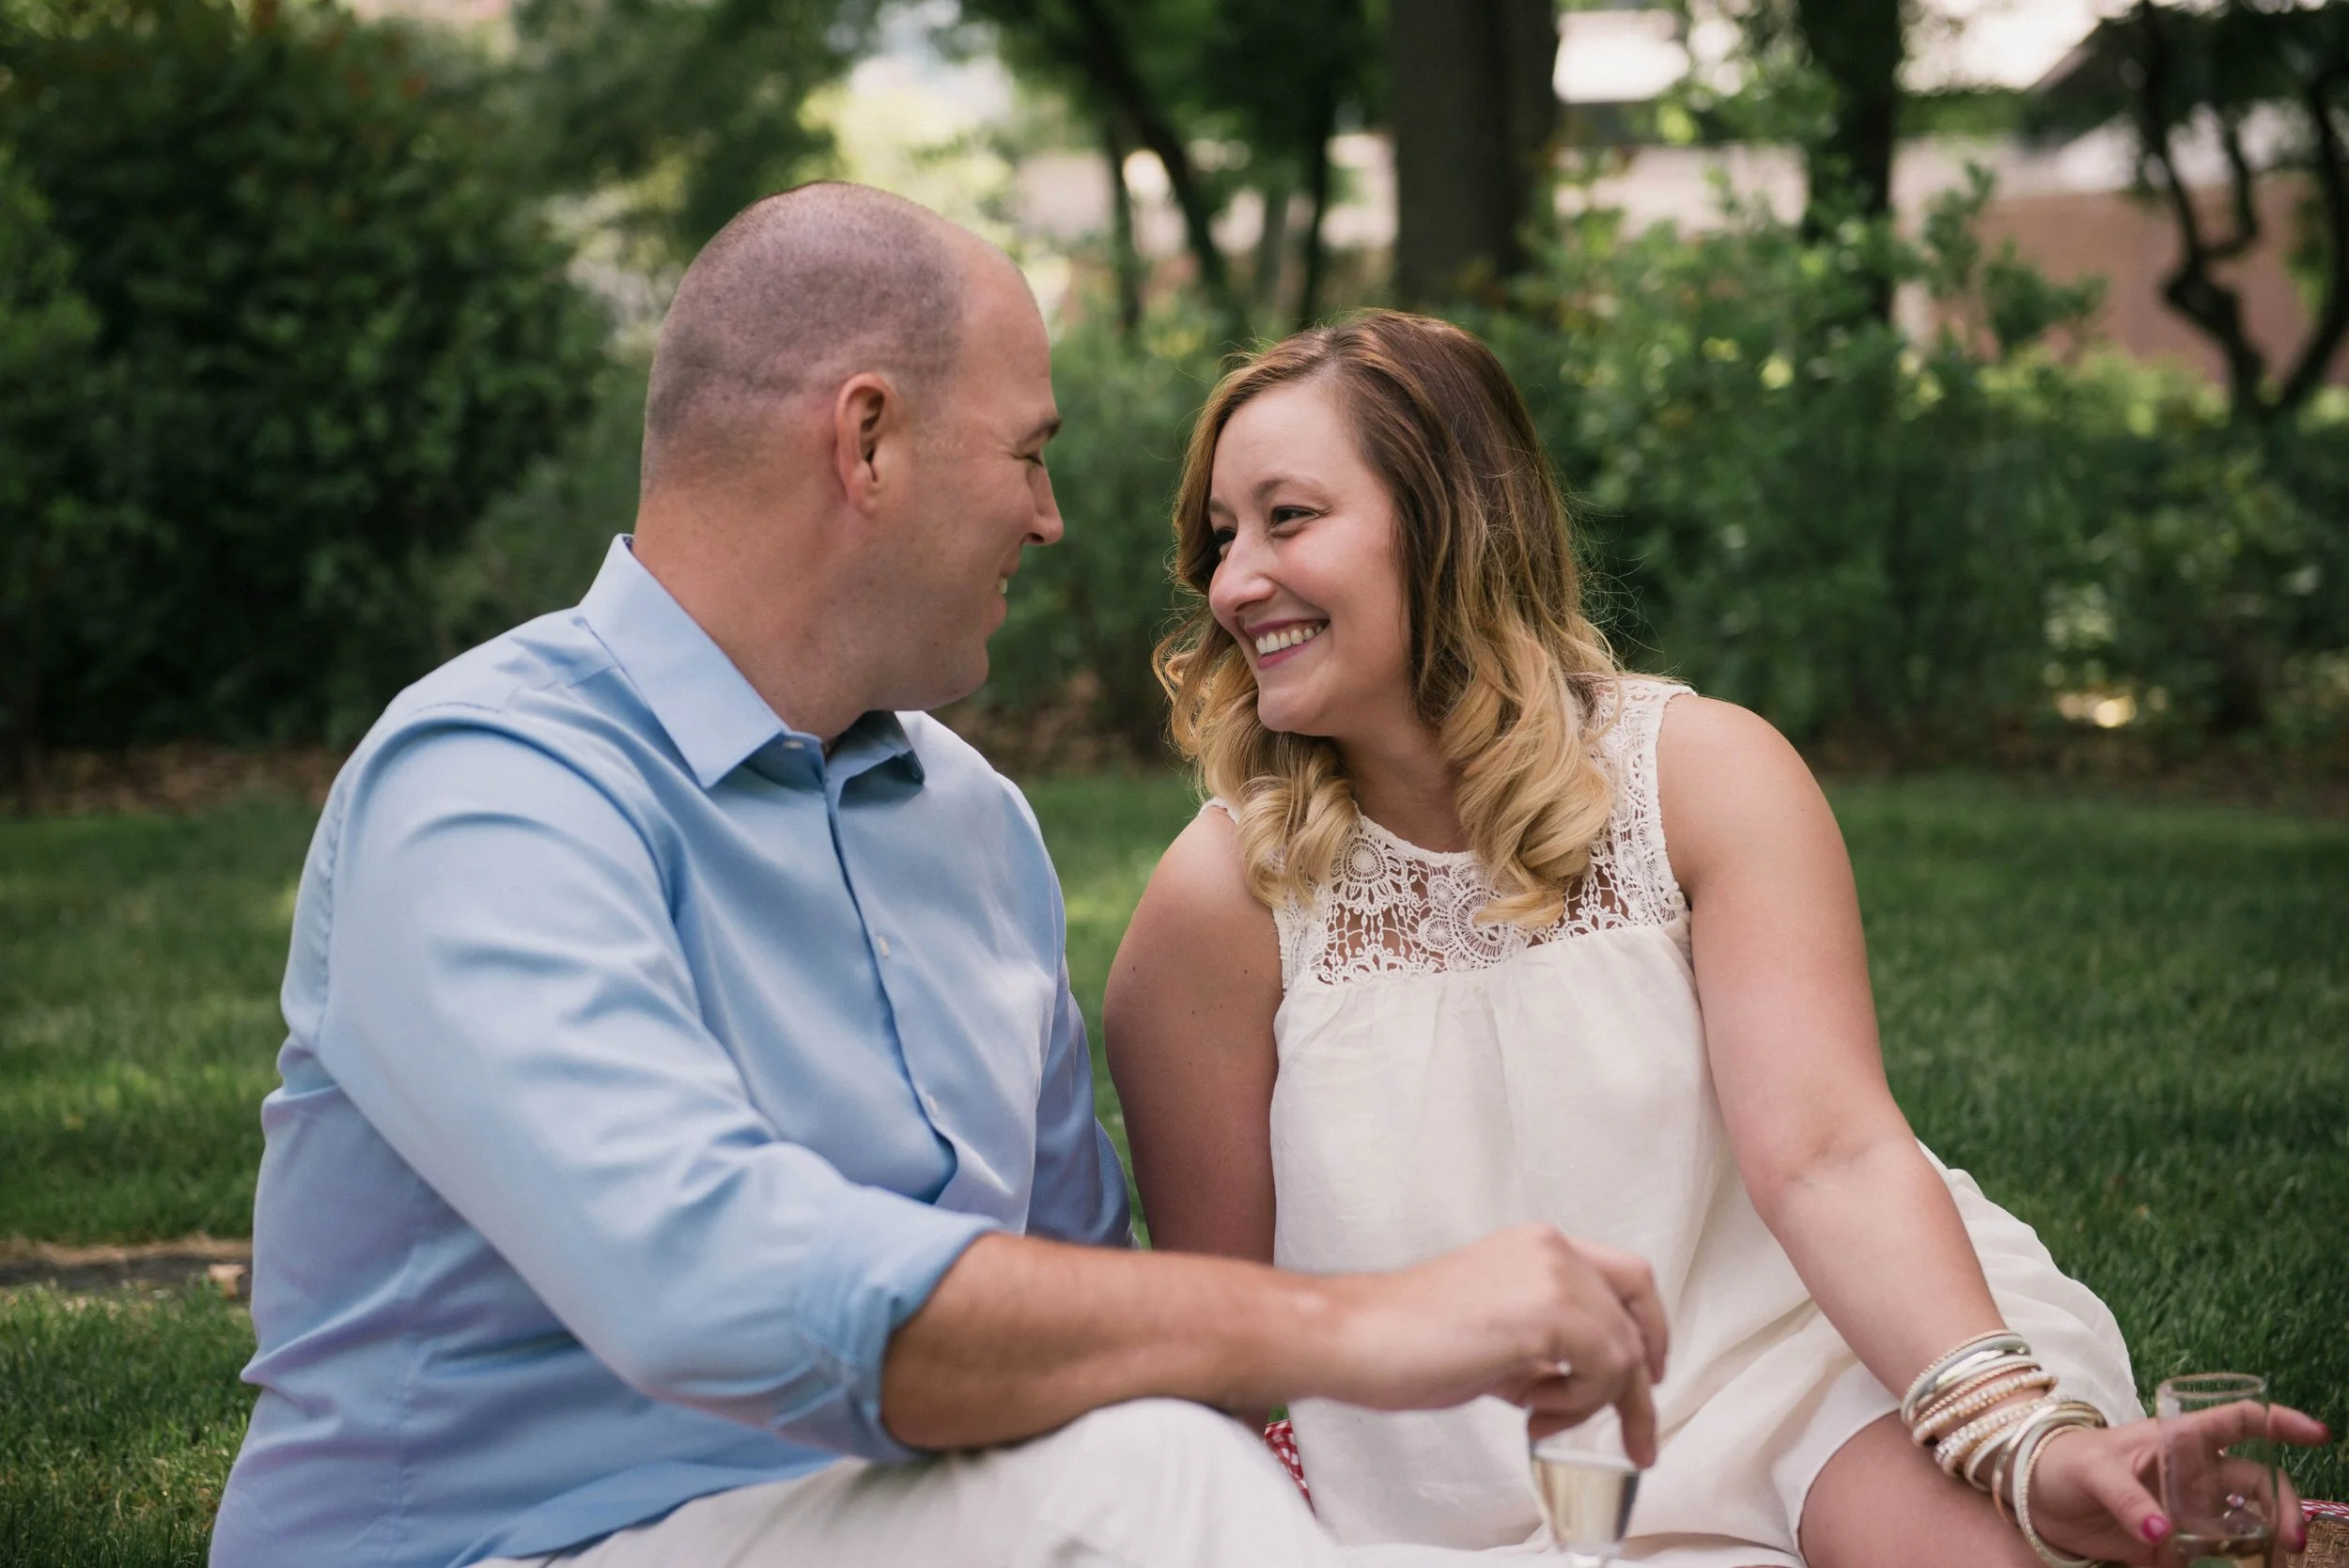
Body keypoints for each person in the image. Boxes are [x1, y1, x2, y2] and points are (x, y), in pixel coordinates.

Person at [207, 188, 1677, 1568]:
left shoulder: (971, 826)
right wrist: (1361, 1327)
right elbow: (705, 1285)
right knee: (1151, 1495)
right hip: (519, 1541)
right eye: (1028, 453)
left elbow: (1081, 1314)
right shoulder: (492, 788)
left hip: (890, 1516)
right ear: (867, 442)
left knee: (1160, 1459)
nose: (1050, 518)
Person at [1105, 310, 2327, 1568]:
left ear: (1451, 524)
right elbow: (1230, 1335)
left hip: (1804, 1370)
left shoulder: (1696, 778)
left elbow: (1831, 1159)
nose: (1236, 580)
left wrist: (2014, 1436)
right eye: (1219, 536)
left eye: (1288, 518)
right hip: (1445, 1489)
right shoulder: (1222, 899)